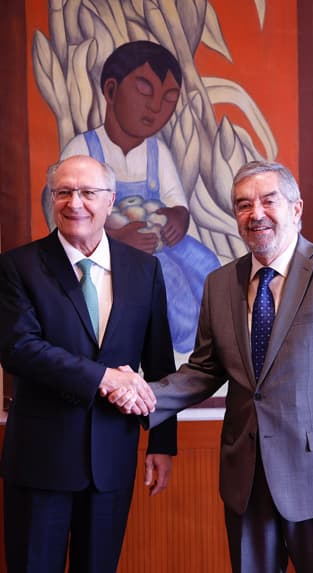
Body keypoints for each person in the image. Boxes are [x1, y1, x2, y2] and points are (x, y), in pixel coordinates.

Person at [110, 160, 313, 572]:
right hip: (245, 480)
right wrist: (142, 393)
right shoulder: (220, 283)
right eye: (243, 205)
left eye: (268, 200)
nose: (255, 213)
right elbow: (204, 369)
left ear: (296, 208)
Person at [0, 154, 177, 572]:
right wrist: (104, 378)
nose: (74, 203)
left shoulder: (144, 269)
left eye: (87, 192)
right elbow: (19, 348)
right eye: (63, 192)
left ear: (110, 200)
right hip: (40, 462)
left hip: (112, 461)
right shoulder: (19, 266)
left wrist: (162, 443)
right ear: (52, 199)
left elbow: (159, 362)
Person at [57, 40, 222, 353]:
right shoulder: (83, 150)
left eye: (168, 97)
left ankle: (215, 340)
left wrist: (177, 217)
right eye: (145, 90)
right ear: (110, 90)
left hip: (160, 240)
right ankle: (185, 345)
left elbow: (177, 202)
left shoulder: (157, 152)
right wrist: (117, 239)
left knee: (208, 266)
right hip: (115, 251)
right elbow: (66, 217)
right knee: (170, 281)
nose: (156, 107)